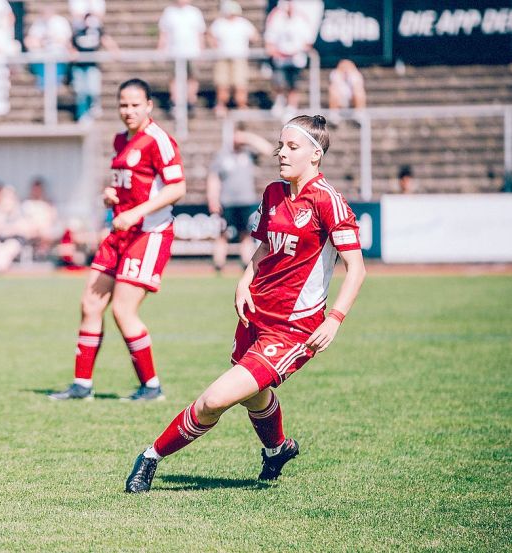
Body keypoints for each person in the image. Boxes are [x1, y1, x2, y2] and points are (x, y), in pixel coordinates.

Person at [125, 115, 367, 492]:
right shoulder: (274, 192)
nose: (281, 153)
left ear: (315, 154)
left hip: (291, 330)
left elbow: (357, 268)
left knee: (214, 400)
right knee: (254, 394)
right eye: (281, 145)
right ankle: (276, 451)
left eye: (292, 147)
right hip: (255, 315)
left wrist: (334, 319)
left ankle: (150, 457)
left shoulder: (328, 201)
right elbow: (265, 247)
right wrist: (244, 279)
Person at [50, 79, 186, 402]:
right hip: (119, 233)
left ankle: (152, 387)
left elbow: (176, 189)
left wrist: (136, 212)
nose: (128, 111)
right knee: (90, 304)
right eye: (123, 105)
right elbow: (130, 183)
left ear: (149, 105)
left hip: (149, 234)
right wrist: (112, 196)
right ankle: (82, 386)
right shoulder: (120, 140)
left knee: (123, 311)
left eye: (136, 104)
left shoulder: (159, 140)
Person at [206, 126, 273, 272]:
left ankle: (246, 264)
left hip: (246, 201)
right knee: (222, 234)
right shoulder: (222, 155)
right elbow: (214, 178)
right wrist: (213, 198)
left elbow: (269, 150)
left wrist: (248, 137)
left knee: (246, 234)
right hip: (227, 202)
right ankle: (219, 265)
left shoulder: (249, 154)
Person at [208, 1, 259, 117]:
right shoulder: (219, 23)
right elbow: (210, 35)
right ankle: (221, 105)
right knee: (222, 83)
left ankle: (241, 105)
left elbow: (254, 36)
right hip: (223, 57)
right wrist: (214, 45)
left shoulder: (243, 23)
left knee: (240, 83)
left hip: (239, 58)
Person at [264, 1, 314, 117]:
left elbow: (308, 42)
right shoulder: (276, 18)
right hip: (280, 60)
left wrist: (295, 51)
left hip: (296, 60)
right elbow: (270, 40)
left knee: (294, 85)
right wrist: (276, 52)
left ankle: (291, 107)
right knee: (278, 83)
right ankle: (279, 102)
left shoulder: (301, 19)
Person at [158, 0, 206, 111]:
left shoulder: (195, 12)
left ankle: (190, 100)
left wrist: (201, 51)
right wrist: (161, 49)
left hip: (192, 51)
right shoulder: (168, 12)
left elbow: (200, 33)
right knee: (174, 77)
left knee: (193, 76)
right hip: (173, 51)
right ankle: (175, 100)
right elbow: (164, 33)